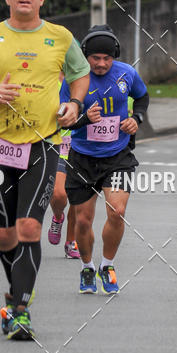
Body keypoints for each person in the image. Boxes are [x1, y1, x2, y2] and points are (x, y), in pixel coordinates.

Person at [0, 0, 90, 340]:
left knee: (29, 227)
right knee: (4, 236)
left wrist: (75, 103)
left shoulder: (60, 37)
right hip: (2, 143)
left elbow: (80, 74)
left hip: (44, 142)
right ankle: (16, 291)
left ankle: (20, 310)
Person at [62, 24, 149, 295]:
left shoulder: (126, 73)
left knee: (117, 211)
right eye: (95, 58)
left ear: (115, 56)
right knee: (83, 221)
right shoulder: (74, 80)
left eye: (107, 58)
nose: (101, 64)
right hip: (83, 158)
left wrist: (136, 119)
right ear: (85, 56)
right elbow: (63, 120)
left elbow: (142, 97)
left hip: (118, 156)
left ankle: (107, 265)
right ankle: (87, 267)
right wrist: (84, 119)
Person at [47, 75, 79, 259]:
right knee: (59, 194)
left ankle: (71, 241)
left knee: (78, 199)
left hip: (84, 147)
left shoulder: (85, 80)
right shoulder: (49, 79)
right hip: (59, 145)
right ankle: (58, 216)